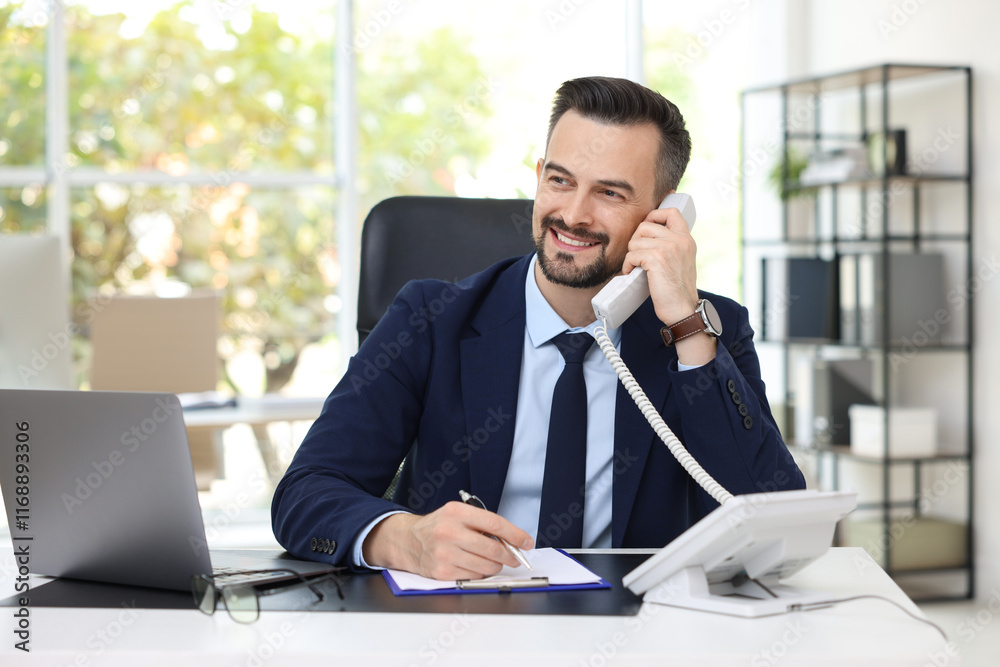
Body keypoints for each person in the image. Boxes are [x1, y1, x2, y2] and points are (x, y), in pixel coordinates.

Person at [271, 76, 805, 581]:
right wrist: (403, 537)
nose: (572, 214)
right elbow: (307, 493)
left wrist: (689, 331)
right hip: (464, 624)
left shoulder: (708, 330)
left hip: (636, 630)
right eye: (559, 180)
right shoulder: (430, 320)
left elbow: (772, 526)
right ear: (538, 177)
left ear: (665, 215)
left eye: (610, 194)